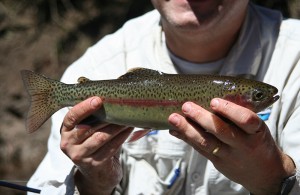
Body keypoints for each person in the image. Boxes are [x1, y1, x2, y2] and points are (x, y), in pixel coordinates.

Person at [28, 0, 300, 194]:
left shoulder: (294, 57)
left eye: (258, 95)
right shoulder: (98, 64)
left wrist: (278, 181)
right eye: (257, 95)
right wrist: (92, 186)